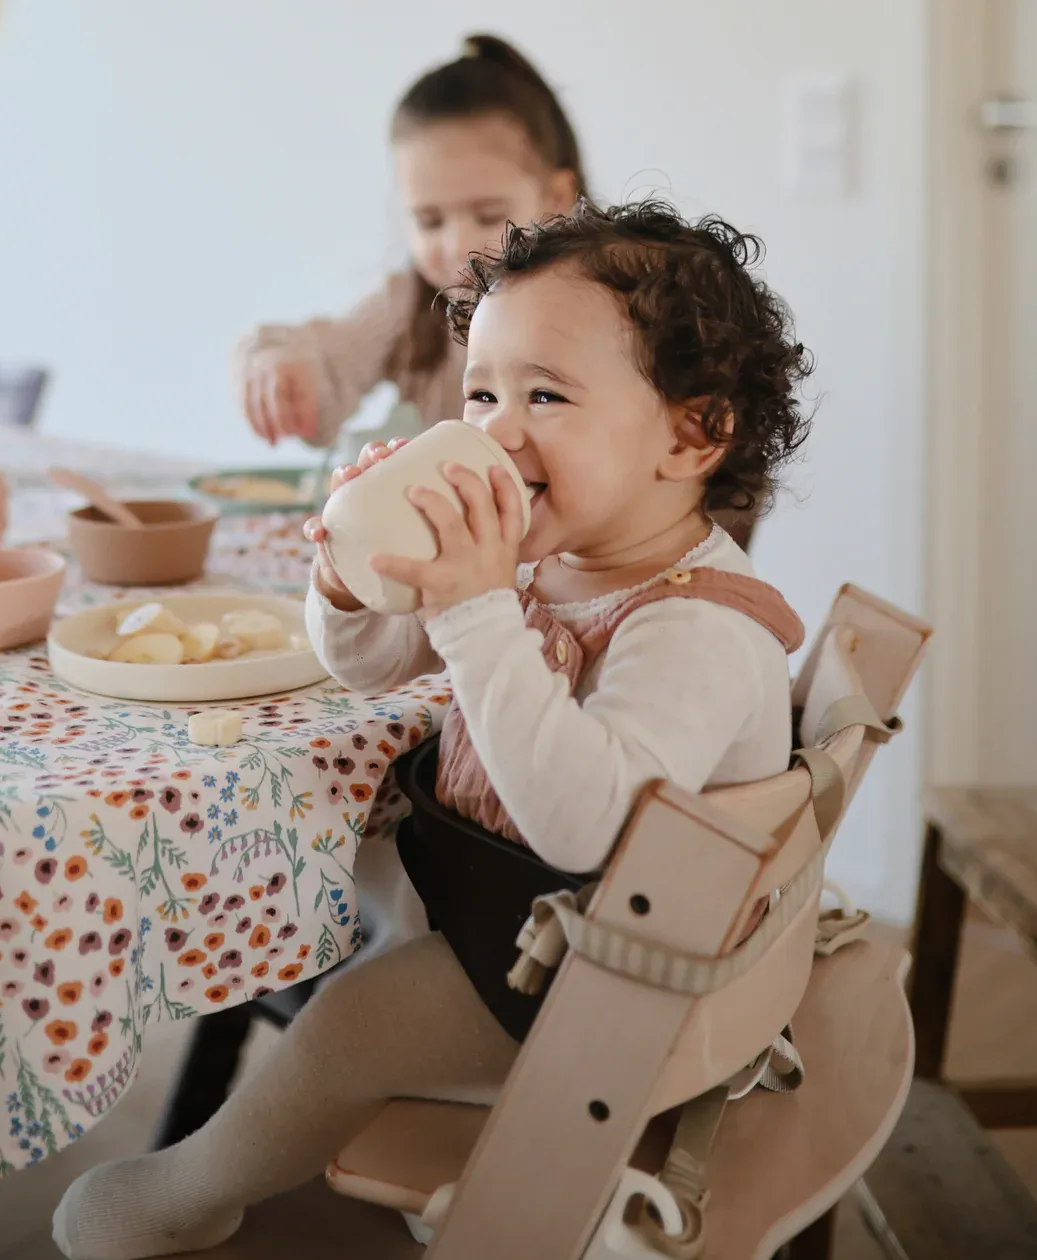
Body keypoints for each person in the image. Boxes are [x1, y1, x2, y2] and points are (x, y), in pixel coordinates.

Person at [53, 198, 813, 1260]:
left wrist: (472, 608)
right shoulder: (564, 550)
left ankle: (191, 1190)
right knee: (303, 852)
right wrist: (353, 583)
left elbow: (585, 827)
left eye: (545, 395)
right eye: (483, 392)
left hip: (606, 976)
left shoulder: (696, 627)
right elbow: (366, 666)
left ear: (694, 432)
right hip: (503, 902)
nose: (497, 430)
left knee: (350, 1024)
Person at [235, 34, 585, 449]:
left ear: (557, 199)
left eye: (488, 216)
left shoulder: (599, 306)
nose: (458, 244)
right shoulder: (409, 307)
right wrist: (277, 365)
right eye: (430, 221)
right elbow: (328, 353)